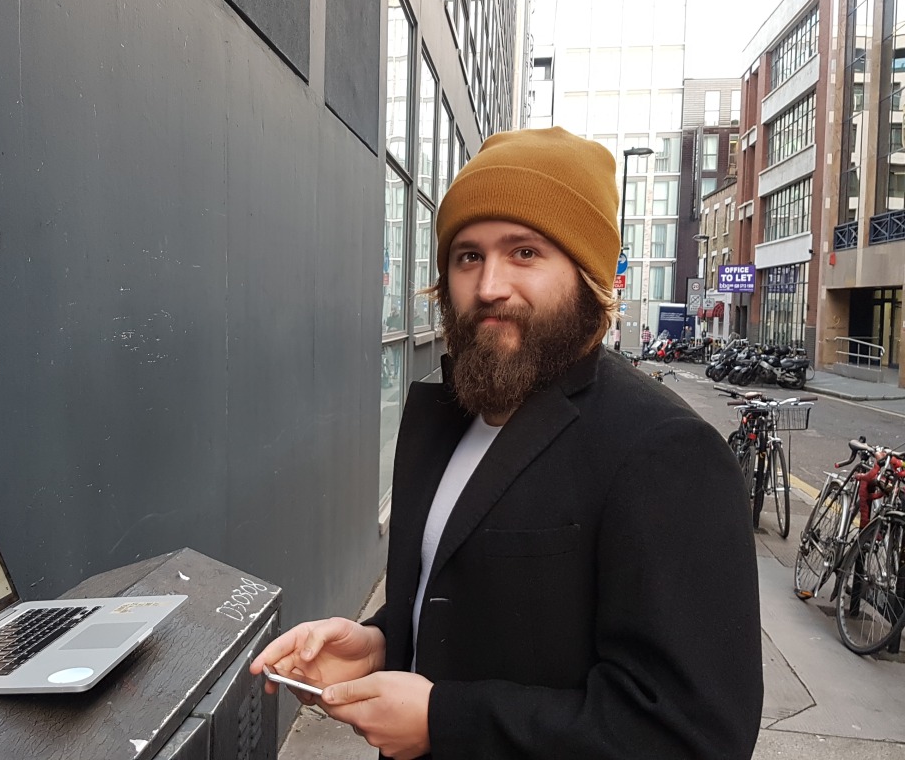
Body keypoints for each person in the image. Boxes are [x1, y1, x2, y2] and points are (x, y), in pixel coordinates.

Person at [251, 127, 762, 759]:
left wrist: (446, 721)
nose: (490, 284)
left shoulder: (664, 451)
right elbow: (493, 611)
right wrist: (384, 641)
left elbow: (692, 734)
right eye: (468, 256)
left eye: (524, 252)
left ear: (588, 273)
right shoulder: (454, 417)